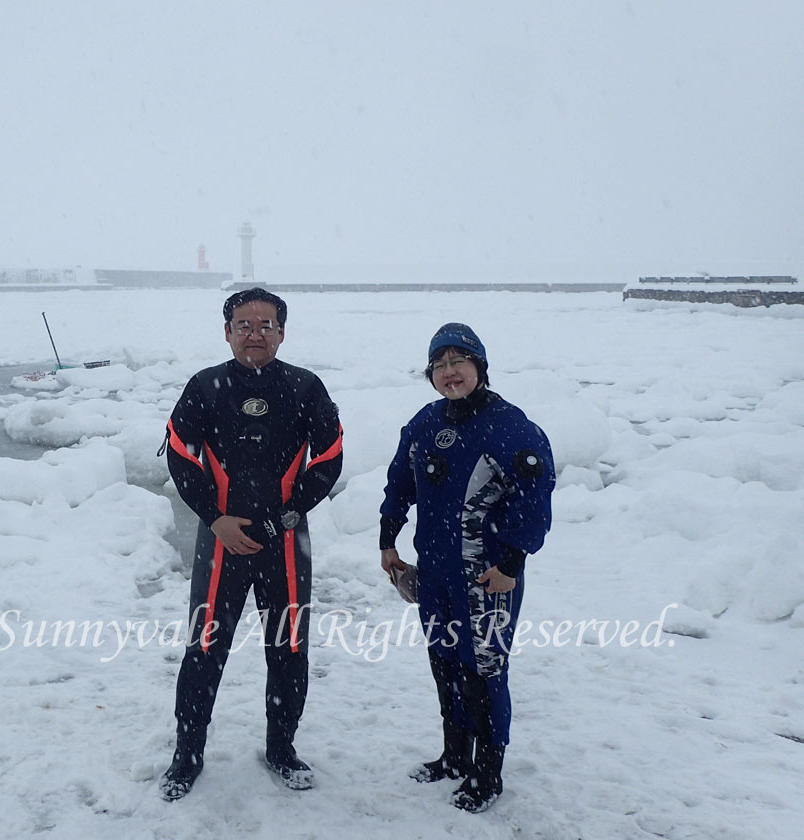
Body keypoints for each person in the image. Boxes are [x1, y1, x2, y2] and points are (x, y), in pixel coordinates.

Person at [158, 288, 343, 801]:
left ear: (282, 332)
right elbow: (180, 454)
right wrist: (215, 519)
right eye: (243, 325)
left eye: (265, 325)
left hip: (284, 543)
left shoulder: (306, 388)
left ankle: (281, 749)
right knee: (204, 648)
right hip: (220, 544)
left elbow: (328, 458)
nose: (254, 333)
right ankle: (187, 755)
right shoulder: (205, 387)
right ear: (227, 332)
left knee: (289, 647)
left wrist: (284, 517)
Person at [380, 323, 555, 813]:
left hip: (486, 577)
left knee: (484, 671)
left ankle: (488, 773)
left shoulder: (511, 427)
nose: (449, 372)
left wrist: (512, 562)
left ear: (480, 366)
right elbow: (400, 483)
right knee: (446, 666)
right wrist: (387, 540)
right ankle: (455, 756)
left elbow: (534, 498)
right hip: (435, 575)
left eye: (459, 361)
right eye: (439, 364)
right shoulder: (425, 423)